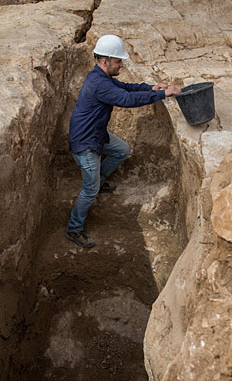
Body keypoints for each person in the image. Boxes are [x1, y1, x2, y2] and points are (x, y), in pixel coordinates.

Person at [65, 34, 181, 248]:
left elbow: (126, 88)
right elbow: (126, 99)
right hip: (86, 142)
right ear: (104, 61)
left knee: (121, 149)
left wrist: (151, 88)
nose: (121, 65)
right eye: (118, 61)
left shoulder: (101, 77)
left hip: (96, 133)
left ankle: (98, 181)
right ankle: (74, 228)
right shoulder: (99, 84)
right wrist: (164, 94)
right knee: (89, 189)